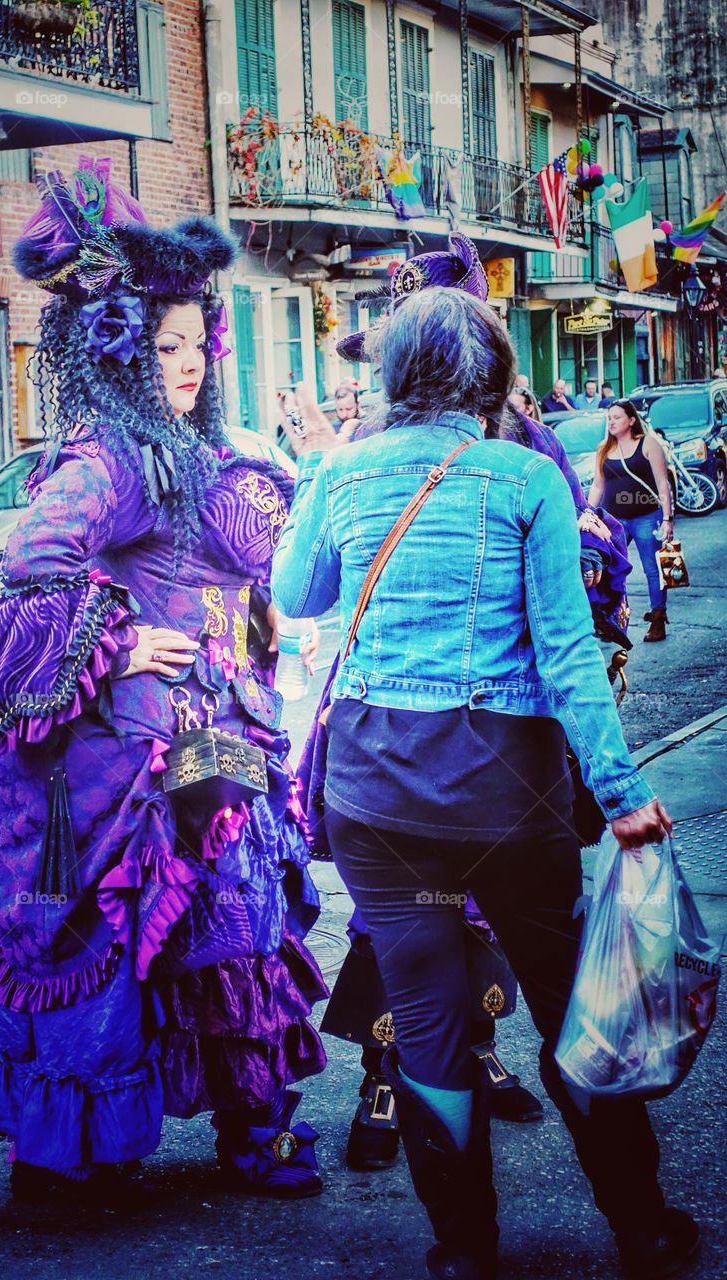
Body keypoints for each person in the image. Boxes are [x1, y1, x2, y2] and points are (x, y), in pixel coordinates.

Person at [271, 289, 697, 1280]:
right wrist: (621, 790)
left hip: (378, 796)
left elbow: (295, 594)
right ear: (494, 379)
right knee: (566, 1003)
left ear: (392, 378)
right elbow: (564, 657)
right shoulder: (522, 478)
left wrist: (316, 466)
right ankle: (639, 1225)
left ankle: (462, 1248)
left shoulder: (341, 470)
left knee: (421, 1015)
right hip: (506, 798)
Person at [0, 158, 327, 1204]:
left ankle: (251, 1133)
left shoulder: (197, 452)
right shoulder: (109, 456)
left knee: (236, 927)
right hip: (131, 757)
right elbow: (35, 560)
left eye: (196, 341)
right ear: (118, 353)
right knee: (133, 935)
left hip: (217, 730)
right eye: (163, 346)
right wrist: (116, 646)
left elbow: (258, 561)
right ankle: (67, 1152)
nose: (191, 361)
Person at [589, 399, 674, 643]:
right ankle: (609, 620)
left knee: (652, 569)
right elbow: (598, 485)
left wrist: (667, 518)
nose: (611, 421)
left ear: (631, 420)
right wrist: (587, 512)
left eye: (616, 417)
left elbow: (662, 484)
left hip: (647, 517)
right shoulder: (604, 448)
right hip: (614, 520)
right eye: (609, 418)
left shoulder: (648, 444)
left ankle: (658, 618)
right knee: (606, 569)